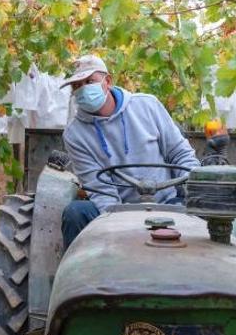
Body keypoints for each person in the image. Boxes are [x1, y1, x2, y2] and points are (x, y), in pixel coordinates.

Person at [60, 55, 199, 249]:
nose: (83, 89)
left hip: (168, 203)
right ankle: (81, 276)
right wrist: (121, 226)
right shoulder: (75, 134)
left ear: (107, 81)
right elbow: (98, 187)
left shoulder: (147, 105)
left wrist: (195, 193)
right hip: (117, 209)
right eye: (77, 86)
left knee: (207, 212)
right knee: (75, 213)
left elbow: (180, 154)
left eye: (89, 81)